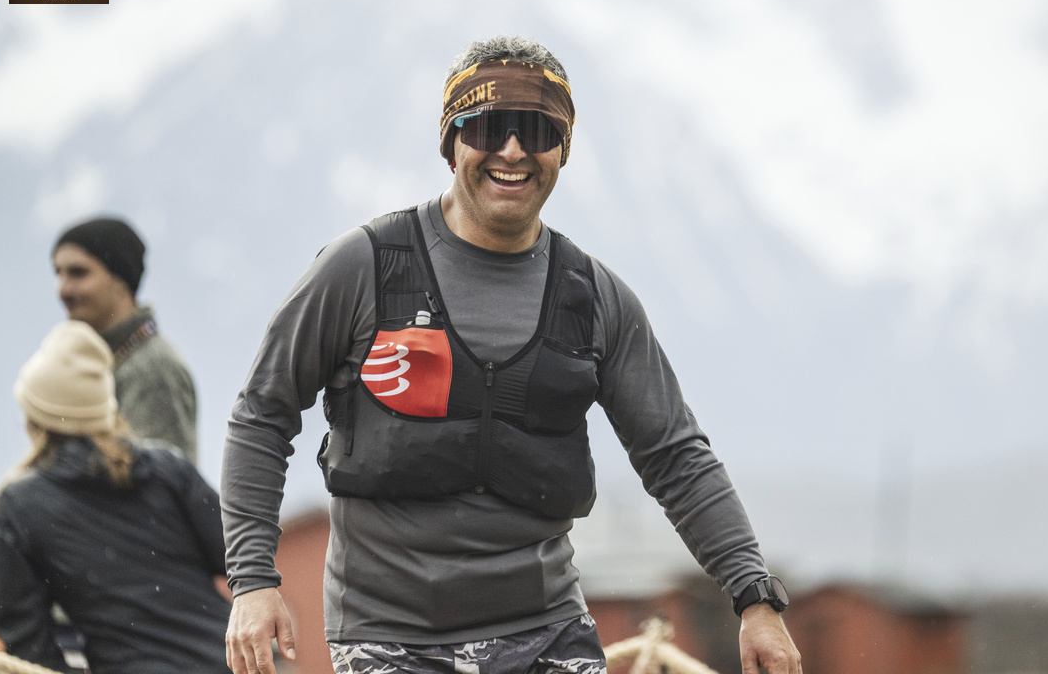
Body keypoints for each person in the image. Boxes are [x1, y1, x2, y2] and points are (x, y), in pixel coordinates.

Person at [221, 35, 802, 674]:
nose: (514, 150)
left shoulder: (596, 299)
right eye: (489, 127)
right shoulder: (362, 269)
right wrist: (252, 581)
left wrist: (756, 599)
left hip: (547, 634)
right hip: (388, 640)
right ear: (451, 144)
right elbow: (262, 414)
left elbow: (676, 456)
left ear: (562, 151)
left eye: (538, 130)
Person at [0, 320, 232, 673]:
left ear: (34, 418)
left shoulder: (18, 507)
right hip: (230, 661)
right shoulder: (167, 468)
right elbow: (238, 556)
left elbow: (28, 643)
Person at [53, 217, 198, 460]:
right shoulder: (106, 362)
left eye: (78, 273)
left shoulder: (154, 370)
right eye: (58, 273)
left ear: (120, 280)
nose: (63, 290)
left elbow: (160, 480)